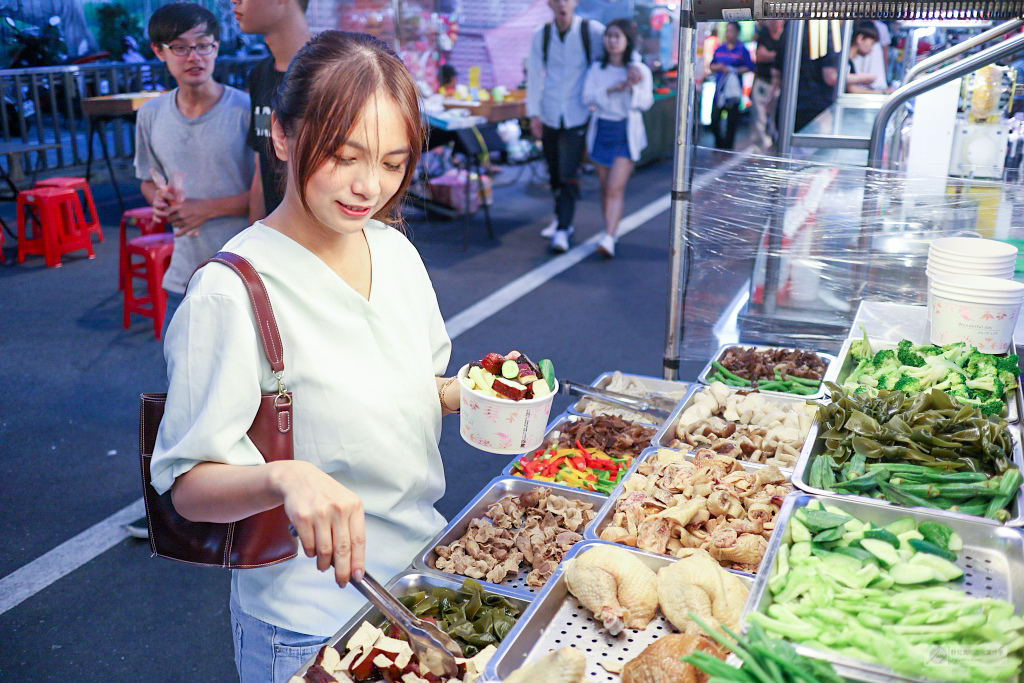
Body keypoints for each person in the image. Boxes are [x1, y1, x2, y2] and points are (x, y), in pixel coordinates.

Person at [149, 31, 457, 683]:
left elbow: (416, 383)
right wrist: (284, 477)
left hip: (421, 588)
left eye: (394, 163)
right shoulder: (231, 290)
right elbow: (186, 485)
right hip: (310, 624)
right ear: (284, 136)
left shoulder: (396, 252)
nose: (368, 185)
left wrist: (471, 393)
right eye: (345, 156)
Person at [128, 3, 254, 539]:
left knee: (250, 396)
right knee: (183, 399)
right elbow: (147, 180)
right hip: (186, 278)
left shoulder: (247, 108)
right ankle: (178, 513)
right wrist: (160, 201)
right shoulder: (151, 115)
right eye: (180, 47)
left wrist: (210, 207)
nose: (193, 57)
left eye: (203, 45)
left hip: (246, 278)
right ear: (160, 54)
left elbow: (265, 193)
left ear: (218, 48)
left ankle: (250, 508)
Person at [527, 0, 640, 254]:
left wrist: (635, 65)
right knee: (555, 171)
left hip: (578, 113)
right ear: (549, 4)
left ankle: (563, 228)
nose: (562, 5)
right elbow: (534, 75)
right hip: (549, 113)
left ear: (575, 2)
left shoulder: (592, 30)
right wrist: (533, 114)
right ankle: (561, 217)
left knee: (568, 170)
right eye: (556, 1)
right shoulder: (541, 35)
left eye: (566, 0)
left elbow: (623, 43)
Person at [231, 0, 310, 223]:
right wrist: (253, 241)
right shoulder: (260, 74)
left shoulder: (333, 73)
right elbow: (262, 167)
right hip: (274, 237)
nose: (234, 1)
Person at [581, 19, 652, 258]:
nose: (612, 41)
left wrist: (631, 88)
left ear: (627, 41)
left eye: (617, 36)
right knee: (604, 188)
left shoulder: (639, 70)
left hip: (625, 133)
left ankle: (609, 237)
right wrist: (611, 89)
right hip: (602, 130)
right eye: (609, 36)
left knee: (614, 187)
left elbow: (646, 102)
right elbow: (587, 97)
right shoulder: (596, 69)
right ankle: (609, 230)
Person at [709, 22, 754, 151]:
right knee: (715, 120)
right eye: (727, 31)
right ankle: (719, 146)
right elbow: (712, 65)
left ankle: (728, 149)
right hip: (720, 91)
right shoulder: (720, 49)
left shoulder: (742, 50)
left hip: (733, 92)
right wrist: (720, 68)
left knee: (731, 122)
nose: (729, 34)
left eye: (731, 31)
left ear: (737, 33)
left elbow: (750, 67)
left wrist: (734, 70)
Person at [794, 20, 840, 132]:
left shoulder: (793, 28)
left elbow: (776, 74)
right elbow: (830, 77)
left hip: (791, 107)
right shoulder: (828, 30)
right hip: (817, 109)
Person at [751, 19, 784, 153]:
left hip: (779, 85)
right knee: (758, 119)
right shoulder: (764, 32)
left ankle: (774, 149)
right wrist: (778, 55)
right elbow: (760, 56)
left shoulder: (786, 33)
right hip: (762, 82)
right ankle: (759, 151)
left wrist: (772, 56)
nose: (772, 22)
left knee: (776, 120)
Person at [846, 21, 887, 93]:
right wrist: (882, 93)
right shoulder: (846, 62)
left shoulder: (850, 62)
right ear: (860, 39)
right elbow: (852, 89)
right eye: (871, 44)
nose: (871, 48)